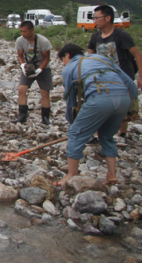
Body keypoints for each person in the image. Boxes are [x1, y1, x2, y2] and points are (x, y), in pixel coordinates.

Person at [56, 43, 138, 186]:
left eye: (62, 60)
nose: (63, 64)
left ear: (67, 55)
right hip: (123, 98)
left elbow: (71, 100)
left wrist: (73, 124)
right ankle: (112, 175)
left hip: (100, 98)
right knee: (106, 136)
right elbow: (129, 82)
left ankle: (71, 174)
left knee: (75, 134)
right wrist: (133, 109)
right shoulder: (101, 58)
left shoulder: (69, 68)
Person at [87, 5, 142, 140]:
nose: (94, 21)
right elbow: (90, 58)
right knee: (103, 104)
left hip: (123, 77)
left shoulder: (121, 35)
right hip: (103, 78)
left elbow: (137, 55)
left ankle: (122, 132)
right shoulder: (95, 37)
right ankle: (99, 133)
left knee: (124, 106)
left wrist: (141, 76)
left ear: (107, 18)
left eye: (96, 18)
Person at [14, 20, 53, 124]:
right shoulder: (20, 41)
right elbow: (20, 56)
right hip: (29, 67)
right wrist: (22, 66)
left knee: (45, 92)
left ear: (32, 30)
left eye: (25, 31)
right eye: (21, 31)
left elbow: (47, 58)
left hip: (43, 68)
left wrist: (40, 69)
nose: (23, 34)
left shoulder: (43, 41)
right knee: (21, 90)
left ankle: (45, 118)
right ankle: (22, 116)